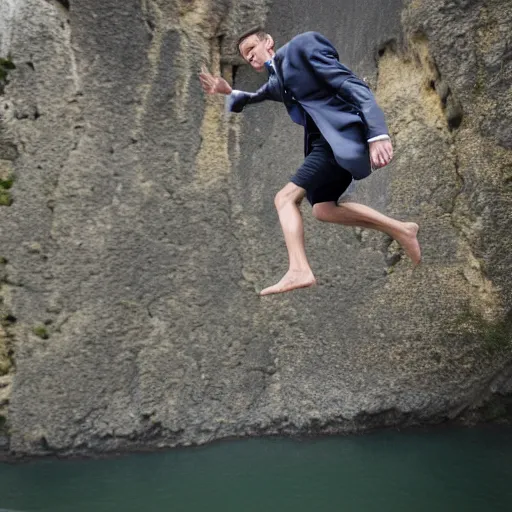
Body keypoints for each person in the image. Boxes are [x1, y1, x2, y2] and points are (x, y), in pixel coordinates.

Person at [199, 29, 421, 296]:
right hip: (325, 146)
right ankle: (402, 229)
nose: (251, 58)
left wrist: (378, 134)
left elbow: (351, 84)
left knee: (284, 199)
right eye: (246, 58)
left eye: (251, 49)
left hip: (335, 141)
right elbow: (254, 96)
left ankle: (299, 269)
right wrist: (228, 91)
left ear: (268, 41)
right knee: (323, 210)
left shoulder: (302, 47)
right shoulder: (277, 80)